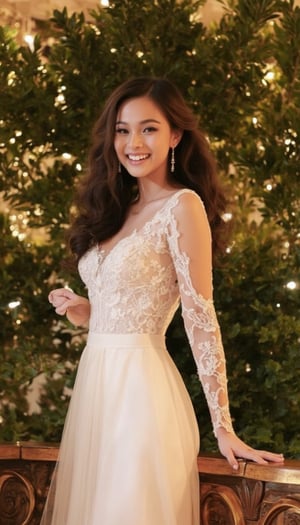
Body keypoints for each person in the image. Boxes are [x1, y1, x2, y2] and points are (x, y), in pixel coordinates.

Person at [42, 77, 284, 525]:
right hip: (96, 396)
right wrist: (87, 311)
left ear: (175, 135)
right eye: (122, 129)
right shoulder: (118, 208)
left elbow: (199, 317)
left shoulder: (183, 206)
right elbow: (132, 304)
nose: (133, 142)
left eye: (148, 128)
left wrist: (223, 426)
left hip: (141, 399)